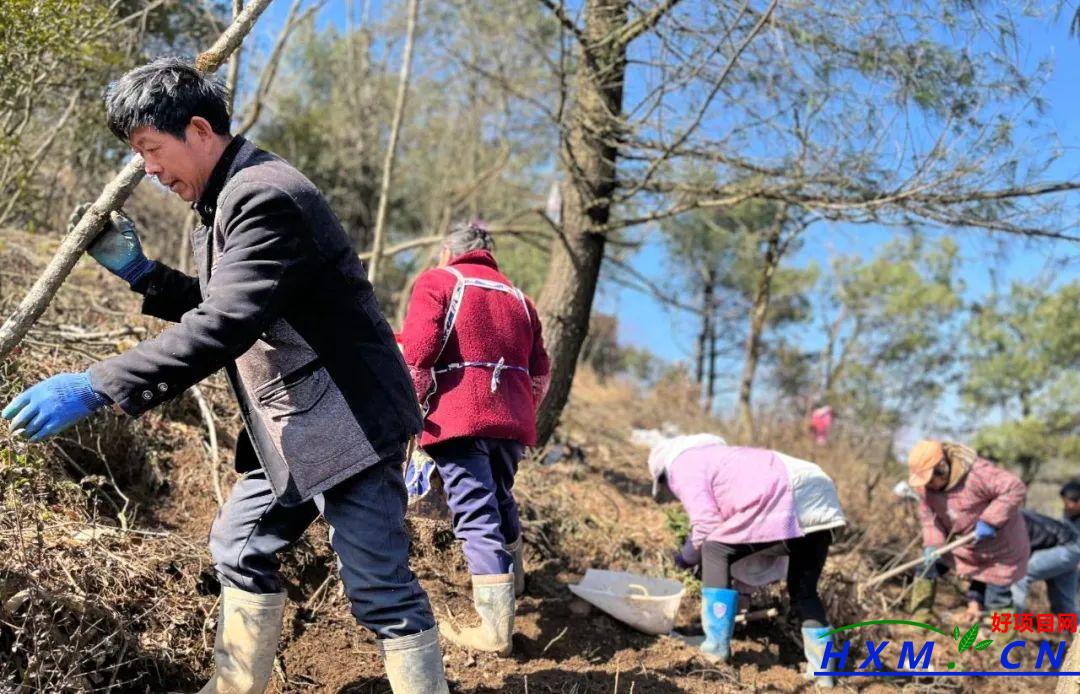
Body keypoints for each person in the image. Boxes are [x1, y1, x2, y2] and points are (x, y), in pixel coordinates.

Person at [0, 59, 448, 694]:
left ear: (200, 129)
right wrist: (142, 275)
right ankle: (235, 687)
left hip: (349, 416)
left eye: (152, 150)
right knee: (239, 547)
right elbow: (233, 304)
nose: (150, 171)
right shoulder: (222, 200)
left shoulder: (265, 195)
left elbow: (225, 324)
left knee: (378, 585)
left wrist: (95, 383)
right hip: (293, 418)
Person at [399, 221, 550, 656]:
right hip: (511, 422)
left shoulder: (439, 280)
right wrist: (520, 410)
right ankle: (515, 583)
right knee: (500, 497)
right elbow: (541, 371)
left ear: (448, 251)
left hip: (459, 418)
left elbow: (419, 354)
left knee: (474, 514)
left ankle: (495, 630)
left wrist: (414, 411)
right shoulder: (523, 300)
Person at [647, 434, 846, 687]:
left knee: (714, 549)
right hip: (821, 497)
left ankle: (715, 648)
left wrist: (684, 558)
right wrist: (743, 595)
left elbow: (707, 526)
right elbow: (751, 543)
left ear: (663, 475)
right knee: (804, 592)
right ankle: (823, 674)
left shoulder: (682, 465)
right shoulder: (727, 460)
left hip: (788, 492)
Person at [907, 440, 1028, 624]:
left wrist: (990, 521)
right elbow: (930, 518)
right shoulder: (925, 487)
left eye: (932, 479)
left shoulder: (978, 474)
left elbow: (1014, 488)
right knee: (926, 569)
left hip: (998, 548)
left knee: (997, 599)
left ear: (943, 467)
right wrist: (933, 544)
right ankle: (919, 620)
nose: (929, 486)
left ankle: (1004, 646)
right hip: (961, 546)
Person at [984, 510, 1080, 615]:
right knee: (1064, 608)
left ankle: (1013, 621)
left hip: (1067, 547)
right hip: (1065, 546)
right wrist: (974, 599)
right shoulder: (997, 525)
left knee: (1018, 574)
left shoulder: (1008, 528)